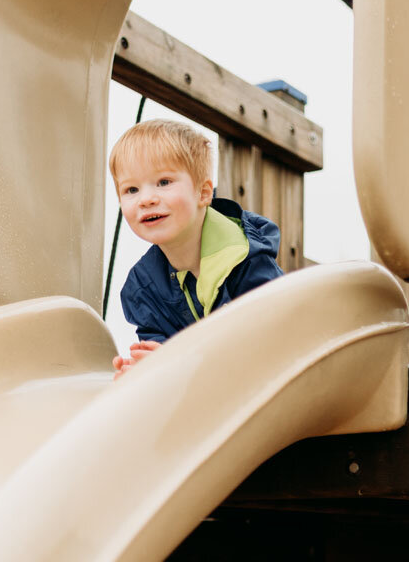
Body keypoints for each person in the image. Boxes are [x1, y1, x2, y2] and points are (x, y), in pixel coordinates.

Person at [108, 119, 283, 377]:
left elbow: (271, 345)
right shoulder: (144, 288)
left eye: (164, 182)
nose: (146, 199)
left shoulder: (247, 259)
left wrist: (179, 363)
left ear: (203, 193)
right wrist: (144, 370)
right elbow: (162, 353)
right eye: (131, 189)